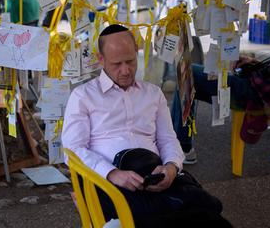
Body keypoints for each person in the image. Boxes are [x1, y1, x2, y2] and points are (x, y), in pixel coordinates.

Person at [62, 24, 228, 225]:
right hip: (110, 182)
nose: (125, 70)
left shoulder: (152, 93)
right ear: (101, 60)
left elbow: (167, 138)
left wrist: (171, 168)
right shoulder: (83, 96)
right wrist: (113, 173)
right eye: (117, 64)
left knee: (210, 212)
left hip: (152, 174)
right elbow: (72, 149)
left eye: (130, 61)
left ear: (137, 53)